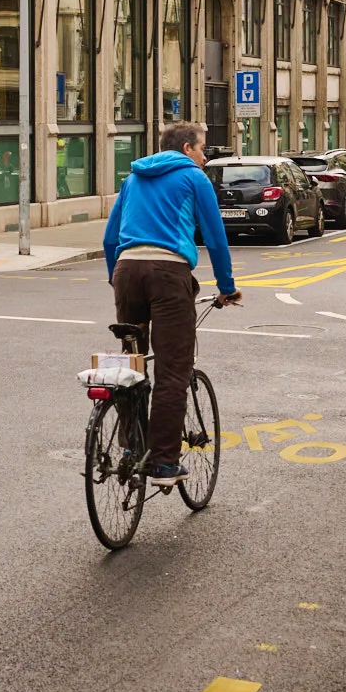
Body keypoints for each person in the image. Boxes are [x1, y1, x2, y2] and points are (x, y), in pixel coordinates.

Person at [103, 121, 240, 486]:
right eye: (202, 148)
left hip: (127, 272)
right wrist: (226, 287)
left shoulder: (131, 180)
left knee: (131, 366)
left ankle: (132, 448)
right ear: (185, 148)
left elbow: (109, 239)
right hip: (168, 275)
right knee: (173, 369)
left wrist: (115, 278)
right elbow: (215, 237)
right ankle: (163, 462)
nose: (205, 155)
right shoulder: (194, 179)